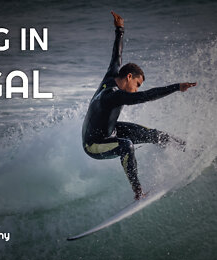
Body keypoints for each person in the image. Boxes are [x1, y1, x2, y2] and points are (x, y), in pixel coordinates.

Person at [81, 11, 197, 200]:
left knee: (152, 134)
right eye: (137, 84)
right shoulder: (112, 96)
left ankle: (187, 148)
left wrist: (120, 29)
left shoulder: (113, 75)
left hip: (110, 130)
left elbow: (116, 54)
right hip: (94, 144)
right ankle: (138, 192)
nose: (136, 90)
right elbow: (147, 96)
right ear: (129, 77)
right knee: (127, 146)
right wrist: (176, 87)